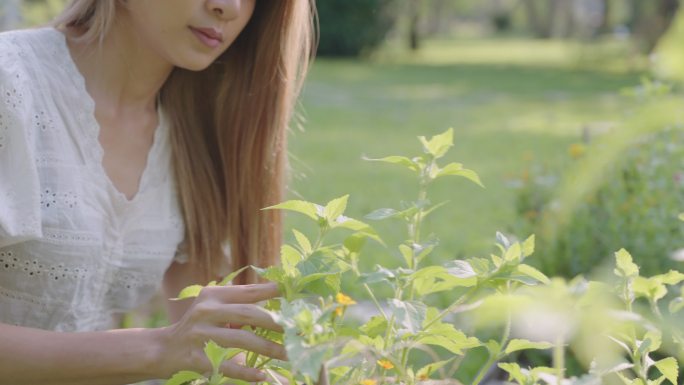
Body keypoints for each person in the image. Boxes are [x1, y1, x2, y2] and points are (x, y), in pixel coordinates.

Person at [0, 0, 316, 383]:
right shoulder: (11, 82)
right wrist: (156, 349)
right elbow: (174, 345)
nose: (229, 7)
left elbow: (216, 346)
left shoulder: (192, 128)